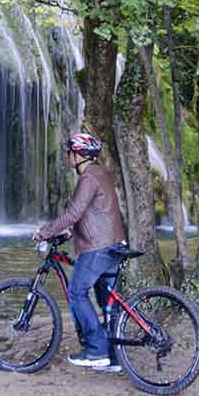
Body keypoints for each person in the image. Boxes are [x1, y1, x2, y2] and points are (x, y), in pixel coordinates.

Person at [33, 132, 127, 369]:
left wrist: (45, 231)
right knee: (108, 303)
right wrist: (65, 234)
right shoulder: (99, 174)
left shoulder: (88, 178)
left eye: (69, 153)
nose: (67, 157)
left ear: (79, 155)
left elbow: (74, 213)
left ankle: (96, 350)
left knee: (76, 292)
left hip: (99, 247)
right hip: (113, 244)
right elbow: (91, 215)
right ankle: (114, 358)